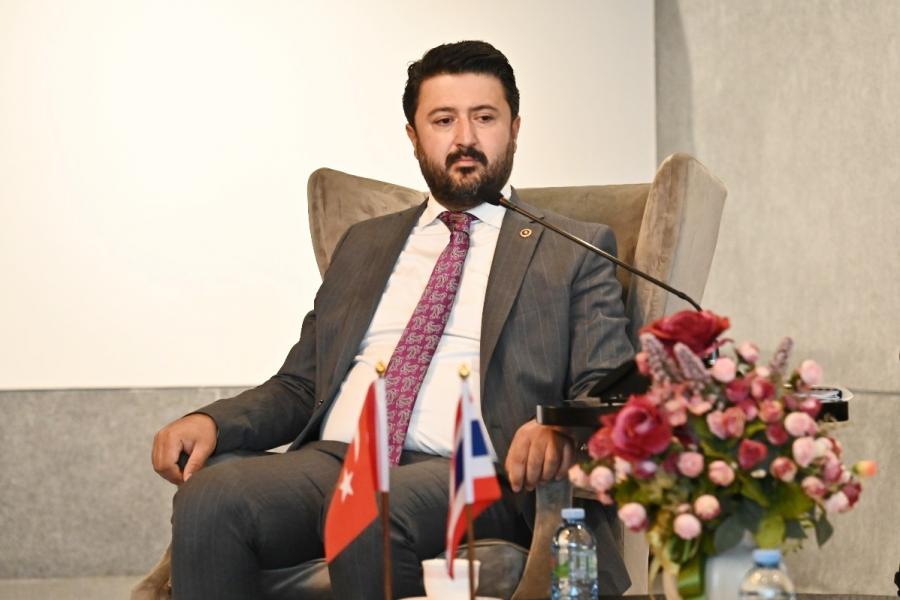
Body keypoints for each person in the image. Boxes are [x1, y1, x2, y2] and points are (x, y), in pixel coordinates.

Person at [151, 40, 634, 599]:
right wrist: (213, 421)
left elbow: (608, 387)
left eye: (485, 117)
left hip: (480, 471)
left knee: (369, 508)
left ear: (515, 128)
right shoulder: (366, 243)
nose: (465, 138)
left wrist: (556, 425)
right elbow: (303, 384)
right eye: (443, 120)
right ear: (413, 136)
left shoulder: (571, 249)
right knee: (212, 497)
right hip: (339, 459)